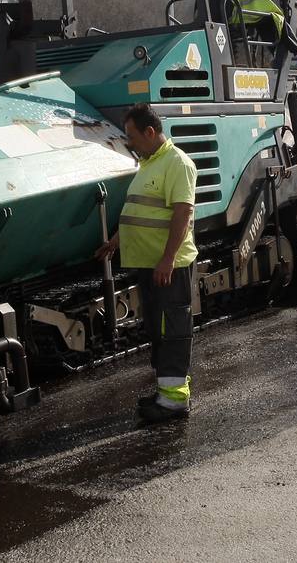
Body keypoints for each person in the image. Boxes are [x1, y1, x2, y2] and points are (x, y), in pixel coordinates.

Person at [96, 103, 198, 424]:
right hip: (151, 267)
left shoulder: (177, 163)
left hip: (170, 267)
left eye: (131, 136)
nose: (128, 142)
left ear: (150, 132)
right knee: (159, 330)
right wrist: (115, 241)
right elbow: (140, 213)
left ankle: (173, 403)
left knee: (172, 332)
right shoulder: (149, 164)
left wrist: (168, 259)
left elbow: (182, 214)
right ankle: (165, 394)